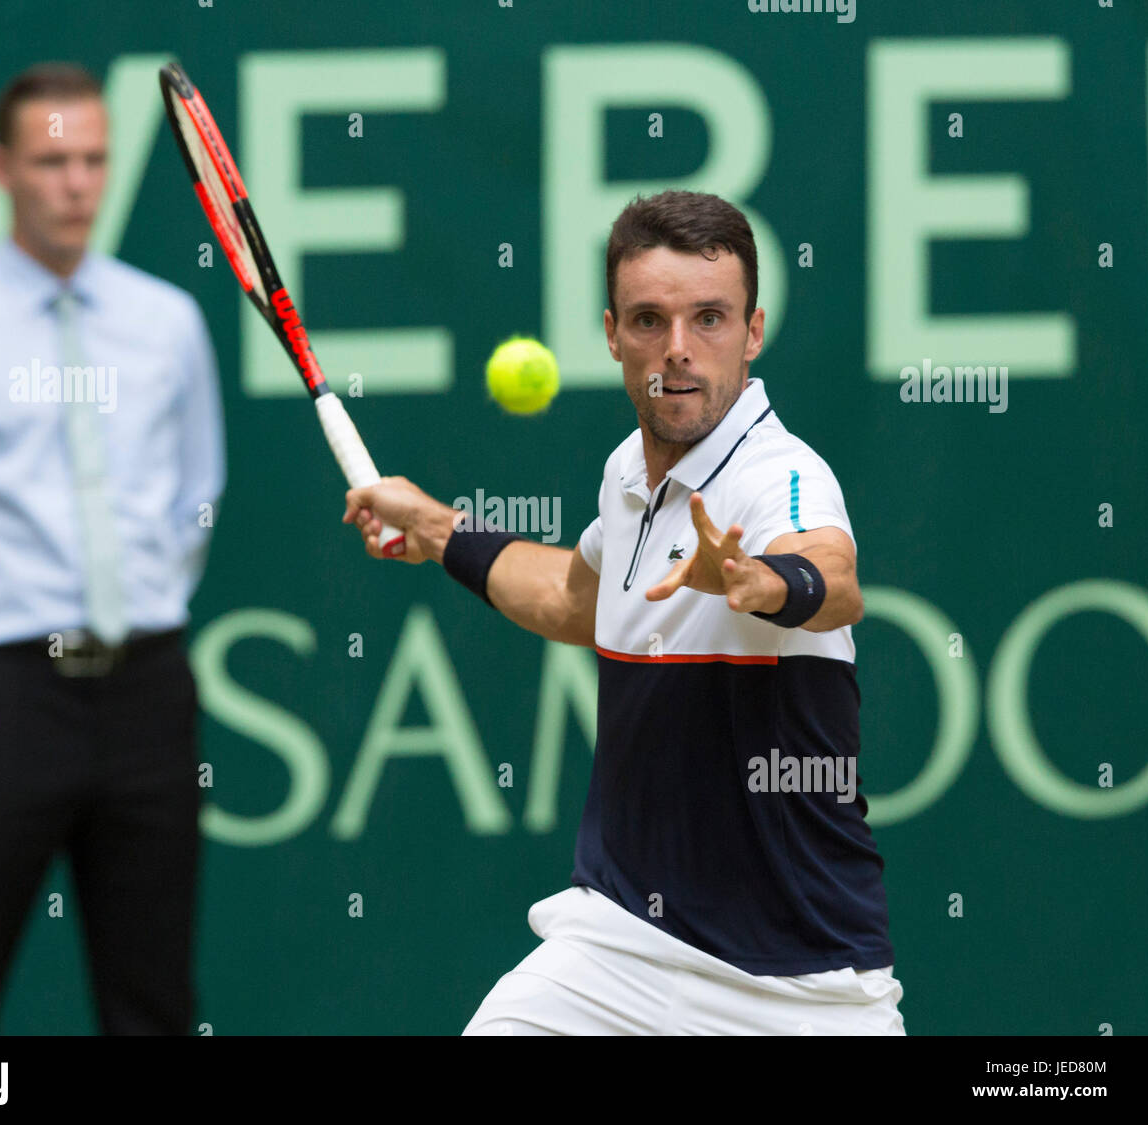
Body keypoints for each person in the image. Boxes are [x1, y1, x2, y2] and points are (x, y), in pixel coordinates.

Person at [343, 190, 904, 1035]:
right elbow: (572, 596)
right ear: (612, 334)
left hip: (801, 985)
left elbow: (835, 574)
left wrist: (759, 581)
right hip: (619, 948)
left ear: (753, 332)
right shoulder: (626, 477)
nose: (677, 348)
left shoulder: (782, 474)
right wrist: (433, 527)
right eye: (649, 320)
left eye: (709, 318)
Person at [0, 62, 225, 1034]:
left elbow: (194, 498)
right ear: (1, 170)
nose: (76, 184)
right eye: (52, 161)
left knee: (154, 1002)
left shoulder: (168, 323)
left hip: (148, 694)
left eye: (94, 160)